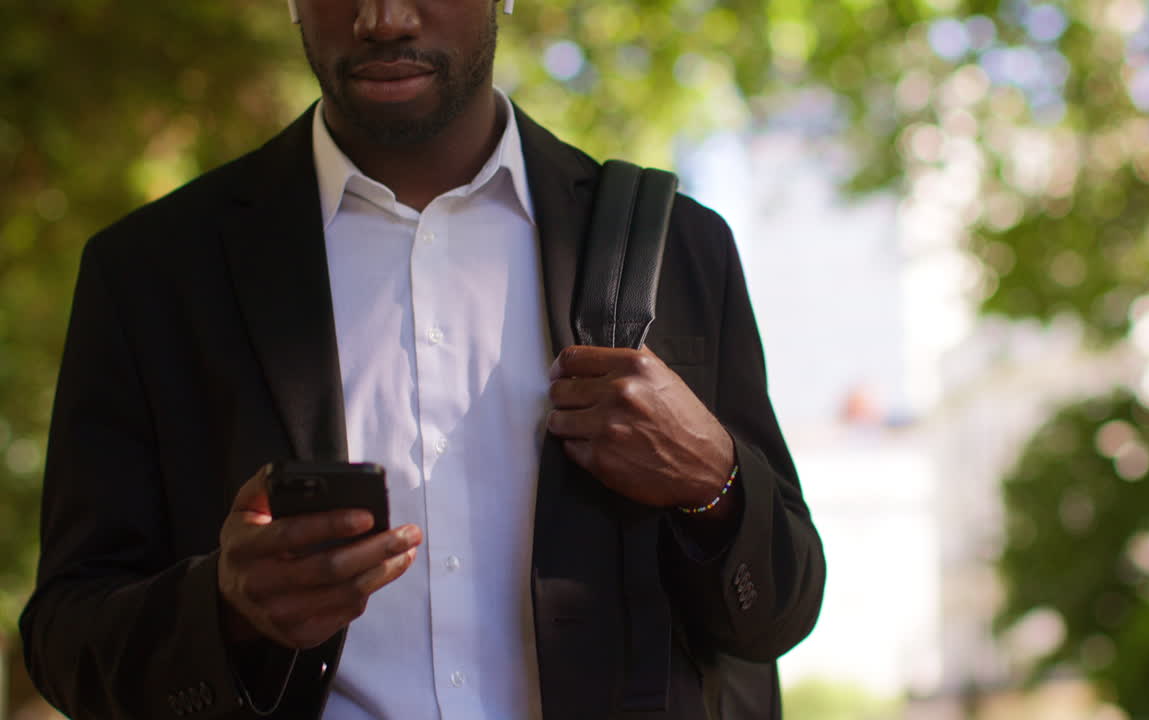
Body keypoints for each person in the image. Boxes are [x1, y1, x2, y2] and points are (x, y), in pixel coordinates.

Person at [18, 0, 825, 717]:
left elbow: (780, 611)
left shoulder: (680, 250)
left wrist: (711, 480)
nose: (383, 19)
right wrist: (225, 612)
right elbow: (65, 638)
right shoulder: (153, 275)